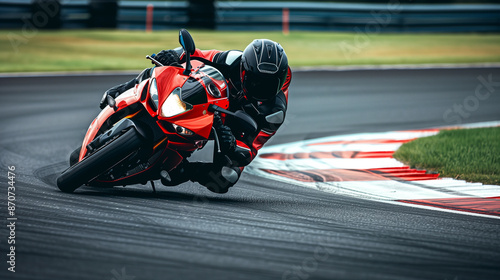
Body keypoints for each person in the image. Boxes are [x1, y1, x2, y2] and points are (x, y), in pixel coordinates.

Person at [100, 39, 292, 193]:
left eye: (268, 85)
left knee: (226, 177)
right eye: (256, 81)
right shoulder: (234, 60)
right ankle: (122, 90)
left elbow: (252, 148)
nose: (260, 88)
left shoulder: (273, 112)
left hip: (233, 125)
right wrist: (173, 54)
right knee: (164, 68)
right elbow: (197, 54)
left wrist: (233, 145)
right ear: (244, 70)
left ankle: (182, 170)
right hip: (210, 96)